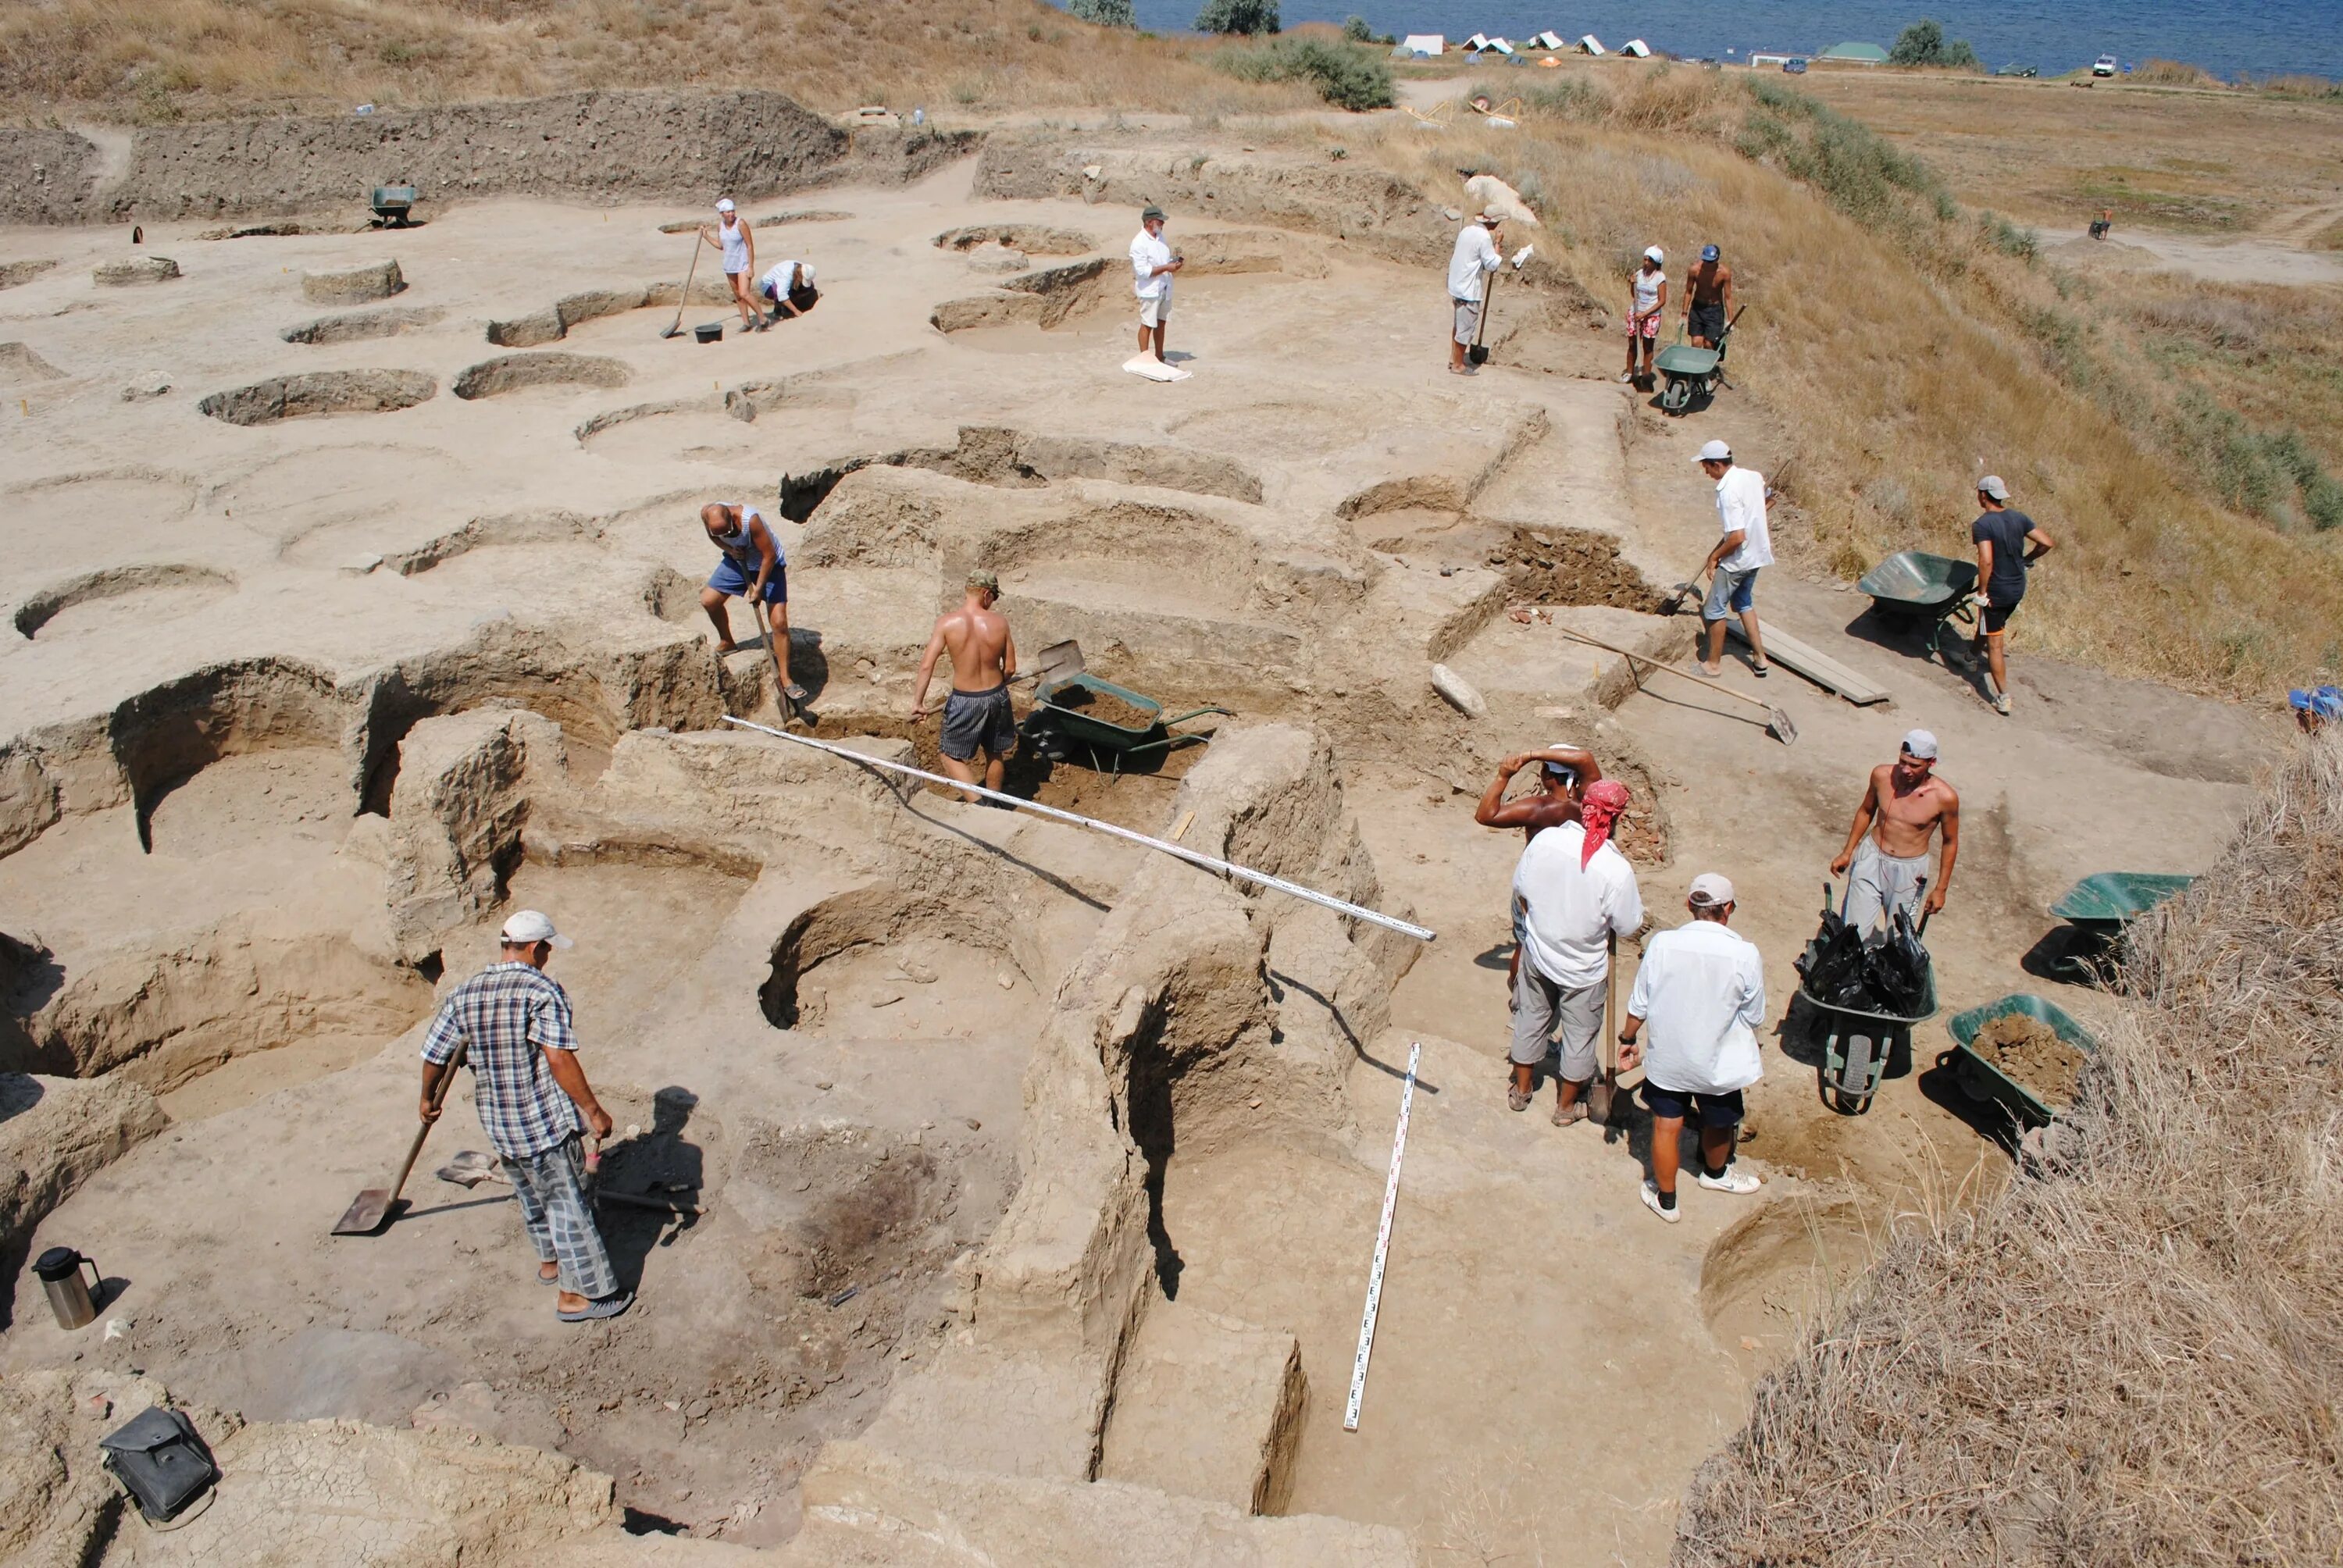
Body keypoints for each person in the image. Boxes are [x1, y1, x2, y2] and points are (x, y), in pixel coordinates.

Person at [419, 911, 629, 1322]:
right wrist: (593, 1110)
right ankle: (577, 1297)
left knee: (531, 1195)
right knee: (568, 1204)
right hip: (542, 1123)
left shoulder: (465, 993)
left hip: (499, 1124)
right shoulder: (542, 991)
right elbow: (558, 1057)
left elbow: (435, 1055)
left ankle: (549, 1264)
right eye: (547, 948)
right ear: (535, 948)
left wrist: (426, 1100)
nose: (548, 956)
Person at [1617, 874, 1766, 1223]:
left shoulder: (1662, 944)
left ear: (1690, 906)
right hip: (1718, 1061)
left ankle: (1667, 1202)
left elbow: (1639, 1003)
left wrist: (1627, 1040)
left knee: (1667, 1126)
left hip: (1670, 1058)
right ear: (1728, 909)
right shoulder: (1744, 954)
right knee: (1719, 1120)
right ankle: (1716, 1175)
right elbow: (1754, 1014)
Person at [1507, 779, 1642, 1126]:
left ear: (1584, 808)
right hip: (1583, 970)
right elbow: (1627, 926)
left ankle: (1520, 1091)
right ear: (1616, 820)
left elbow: (1521, 889)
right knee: (1580, 1038)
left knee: (1530, 1019)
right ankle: (1566, 1108)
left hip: (1539, 954)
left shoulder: (1547, 841)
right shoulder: (1616, 870)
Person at [1829, 729, 1960, 939]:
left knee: (1897, 939)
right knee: (1853, 932)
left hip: (1909, 872)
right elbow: (1866, 811)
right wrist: (1847, 852)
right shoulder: (1882, 776)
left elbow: (1950, 842)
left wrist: (1941, 889)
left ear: (1931, 763)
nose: (1906, 770)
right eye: (1902, 761)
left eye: (1915, 766)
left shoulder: (1945, 797)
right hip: (1871, 858)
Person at [913, 570, 1019, 801]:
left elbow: (926, 666)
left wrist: (918, 703)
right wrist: (999, 684)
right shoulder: (1000, 623)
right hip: (996, 696)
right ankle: (991, 803)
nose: (993, 602)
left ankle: (979, 805)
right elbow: (1010, 668)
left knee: (949, 756)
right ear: (985, 594)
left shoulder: (947, 623)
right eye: (994, 597)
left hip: (965, 700)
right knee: (994, 752)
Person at [698, 501, 804, 704]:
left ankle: (785, 678)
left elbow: (769, 555)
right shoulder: (707, 515)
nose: (727, 536)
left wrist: (758, 588)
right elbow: (714, 537)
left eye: (729, 532)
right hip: (739, 562)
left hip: (769, 565)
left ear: (732, 517)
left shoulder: (750, 520)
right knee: (709, 600)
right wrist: (729, 550)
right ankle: (727, 642)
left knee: (779, 623)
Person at [1969, 475, 2054, 717]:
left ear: (1984, 495)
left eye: (1979, 493)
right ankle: (1971, 655)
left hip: (1997, 591)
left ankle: (2003, 696)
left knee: (1995, 645)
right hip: (2017, 588)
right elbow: (2046, 542)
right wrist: (2027, 559)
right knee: (1990, 624)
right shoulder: (2018, 518)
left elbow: (1986, 560)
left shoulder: (1983, 525)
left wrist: (1982, 592)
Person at [1693, 439, 1773, 677]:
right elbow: (1770, 499)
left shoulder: (1727, 492)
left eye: (1706, 466)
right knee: (1743, 603)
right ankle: (1760, 659)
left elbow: (1737, 537)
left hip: (1739, 559)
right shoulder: (1752, 476)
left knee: (1714, 609)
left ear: (1717, 464)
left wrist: (1714, 557)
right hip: (1757, 555)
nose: (1705, 471)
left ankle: (1713, 664)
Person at [1448, 208, 1503, 376]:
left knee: (1459, 324)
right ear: (1494, 223)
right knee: (1466, 327)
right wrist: (1498, 243)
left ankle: (1453, 358)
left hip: (1456, 283)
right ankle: (1458, 365)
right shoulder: (1484, 238)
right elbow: (1492, 264)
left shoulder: (1467, 230)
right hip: (1468, 288)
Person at [1131, 206, 1182, 365]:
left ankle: (1160, 356)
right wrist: (1167, 268)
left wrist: (1173, 263)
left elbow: (1162, 259)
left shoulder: (1160, 237)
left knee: (1161, 322)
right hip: (1150, 291)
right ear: (1149, 222)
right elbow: (1142, 272)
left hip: (1164, 288)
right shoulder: (1139, 242)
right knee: (1148, 323)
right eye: (1159, 221)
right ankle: (1144, 360)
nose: (1162, 224)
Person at [700, 198, 760, 333]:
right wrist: (706, 237)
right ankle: (746, 323)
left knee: (745, 293)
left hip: (743, 264)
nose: (731, 214)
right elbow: (721, 246)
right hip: (729, 265)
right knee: (738, 295)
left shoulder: (741, 224)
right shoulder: (720, 226)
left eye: (733, 211)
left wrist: (751, 266)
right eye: (728, 212)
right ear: (722, 214)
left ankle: (762, 319)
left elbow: (750, 246)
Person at [1622, 245, 1666, 384]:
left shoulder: (1660, 278)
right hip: (1636, 312)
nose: (1646, 263)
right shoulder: (1639, 274)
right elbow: (1635, 295)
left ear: (1656, 263)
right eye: (1645, 259)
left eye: (1649, 261)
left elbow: (1662, 301)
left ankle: (1646, 376)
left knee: (1648, 346)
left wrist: (1645, 314)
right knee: (1632, 343)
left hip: (1651, 315)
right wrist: (1632, 283)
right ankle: (1629, 372)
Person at [1683, 243, 1734, 349]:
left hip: (1714, 311)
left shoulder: (1724, 273)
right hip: (1698, 308)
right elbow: (1689, 291)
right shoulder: (1694, 270)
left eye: (1711, 261)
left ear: (1717, 259)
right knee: (1696, 342)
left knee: (1709, 344)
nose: (1708, 263)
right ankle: (1695, 365)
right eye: (1706, 260)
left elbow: (1728, 297)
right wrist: (1684, 314)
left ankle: (1708, 365)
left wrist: (1730, 320)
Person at [756, 258, 819, 324]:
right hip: (767, 286)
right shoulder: (786, 276)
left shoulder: (801, 267)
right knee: (783, 292)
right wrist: (796, 311)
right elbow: (782, 295)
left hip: (784, 281)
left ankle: (792, 305)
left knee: (806, 288)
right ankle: (778, 310)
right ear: (799, 275)